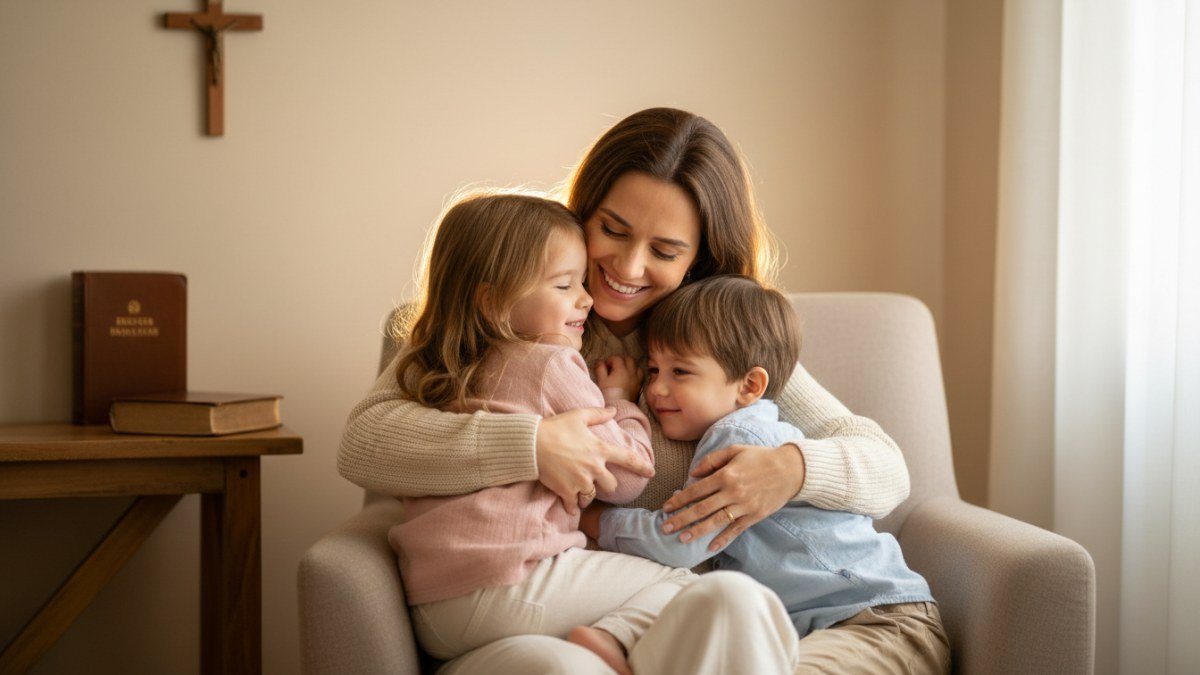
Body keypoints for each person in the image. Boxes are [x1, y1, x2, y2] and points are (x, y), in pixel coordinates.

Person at [339, 107, 913, 673]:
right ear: (583, 213)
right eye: (612, 230)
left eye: (664, 251)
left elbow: (885, 465)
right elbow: (364, 443)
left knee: (733, 604)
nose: (629, 267)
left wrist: (791, 468)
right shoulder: (509, 315)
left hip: (669, 621)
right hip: (529, 610)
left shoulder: (717, 341)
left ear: (698, 260)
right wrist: (532, 444)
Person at [388, 191, 695, 674]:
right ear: (493, 302)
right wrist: (618, 399)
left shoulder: (442, 368)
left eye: (581, 282)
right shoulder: (551, 363)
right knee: (687, 587)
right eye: (564, 285)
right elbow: (627, 477)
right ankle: (612, 640)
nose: (586, 298)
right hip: (511, 583)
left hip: (431, 609)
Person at [579, 275, 951, 673]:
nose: (656, 390)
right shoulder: (730, 423)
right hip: (818, 628)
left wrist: (595, 520)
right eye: (653, 371)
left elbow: (681, 539)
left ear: (750, 386)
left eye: (680, 372)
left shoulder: (738, 437)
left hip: (875, 621)